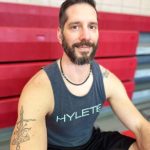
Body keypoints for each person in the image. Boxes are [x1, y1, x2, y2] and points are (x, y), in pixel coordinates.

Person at [10, 0, 150, 150]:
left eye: (92, 26)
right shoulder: (39, 89)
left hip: (91, 142)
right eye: (75, 27)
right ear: (60, 35)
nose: (86, 36)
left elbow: (141, 126)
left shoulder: (106, 80)